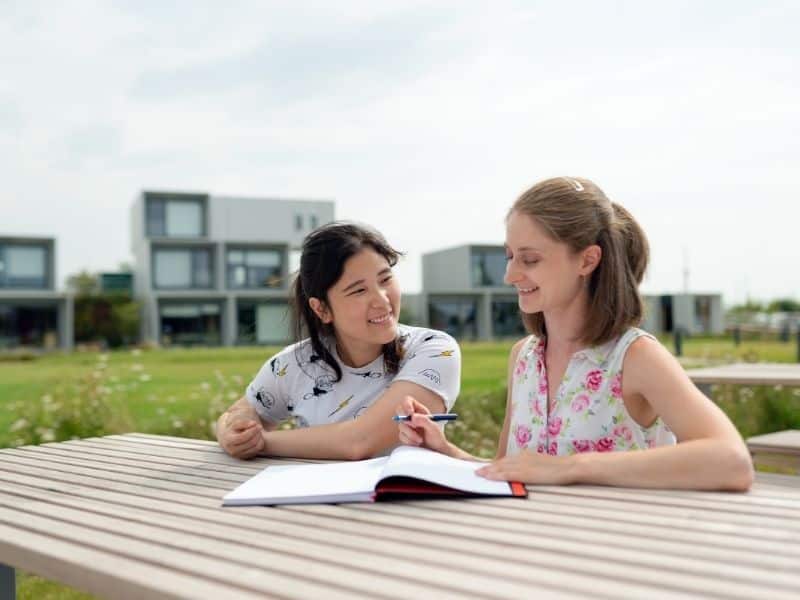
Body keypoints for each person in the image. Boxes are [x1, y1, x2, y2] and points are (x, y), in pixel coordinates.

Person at [398, 176, 754, 491]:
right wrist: (444, 450)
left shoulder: (635, 357)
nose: (510, 275)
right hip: (541, 549)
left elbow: (732, 461)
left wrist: (570, 468)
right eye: (509, 257)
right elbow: (513, 473)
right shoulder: (523, 357)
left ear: (587, 260)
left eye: (530, 259)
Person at [217, 222, 460, 460]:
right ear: (321, 309)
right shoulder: (293, 364)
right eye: (359, 291)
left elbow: (361, 441)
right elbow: (240, 412)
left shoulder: (434, 349)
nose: (382, 300)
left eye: (385, 280)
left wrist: (262, 443)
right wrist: (232, 432)